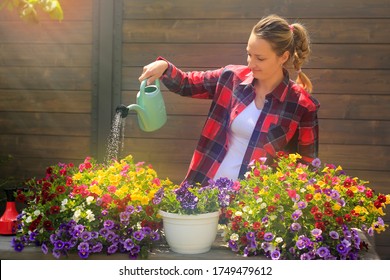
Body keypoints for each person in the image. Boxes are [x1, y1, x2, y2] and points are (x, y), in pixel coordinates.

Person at [138, 14, 320, 186]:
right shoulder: (231, 77)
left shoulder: (302, 105)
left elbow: (306, 167)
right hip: (204, 192)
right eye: (249, 54)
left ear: (284, 57)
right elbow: (187, 84)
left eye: (260, 58)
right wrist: (164, 67)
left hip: (251, 210)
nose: (250, 63)